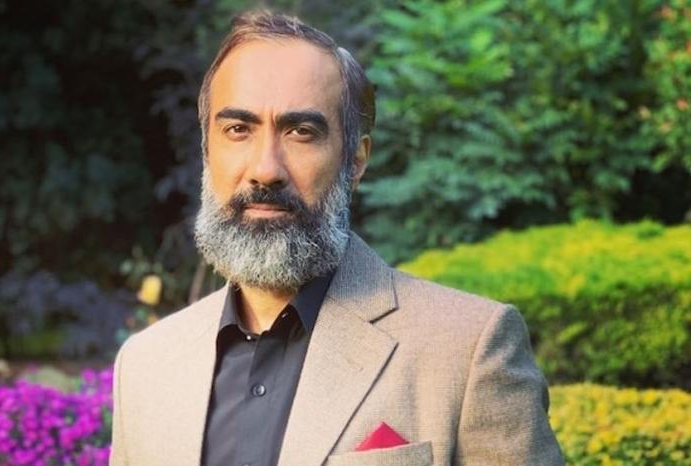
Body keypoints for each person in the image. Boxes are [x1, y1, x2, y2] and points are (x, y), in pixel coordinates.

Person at [110, 9, 564, 466]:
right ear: (208, 150)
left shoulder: (469, 350)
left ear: (355, 160)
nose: (265, 169)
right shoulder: (144, 365)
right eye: (238, 130)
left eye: (301, 132)